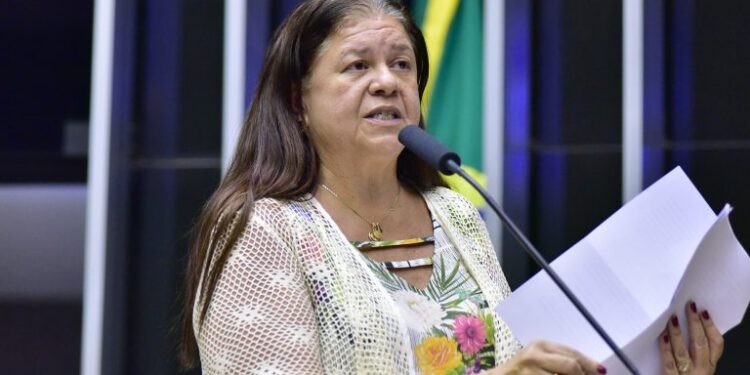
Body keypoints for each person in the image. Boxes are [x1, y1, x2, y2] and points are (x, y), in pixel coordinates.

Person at [179, 0, 725, 373]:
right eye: (356, 66)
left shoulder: (455, 215)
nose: (387, 81)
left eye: (402, 64)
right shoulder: (261, 230)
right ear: (298, 101)